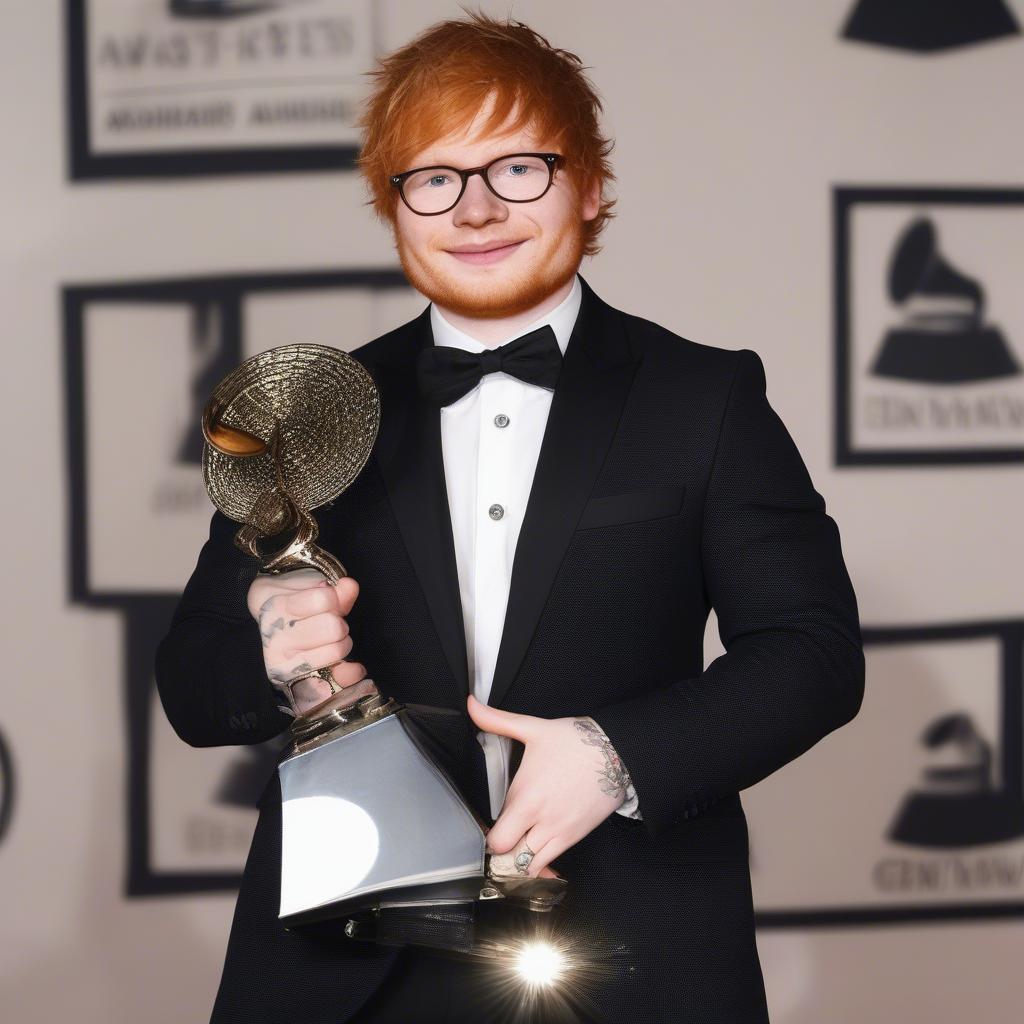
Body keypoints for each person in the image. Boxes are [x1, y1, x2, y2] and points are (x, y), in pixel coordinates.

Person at [155, 10, 865, 1023]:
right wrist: (272, 655)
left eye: (518, 168)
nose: (476, 209)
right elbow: (191, 683)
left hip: (627, 963)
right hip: (347, 964)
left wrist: (617, 753)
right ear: (392, 205)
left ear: (589, 184)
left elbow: (811, 652)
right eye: (435, 177)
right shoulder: (312, 412)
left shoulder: (703, 398)